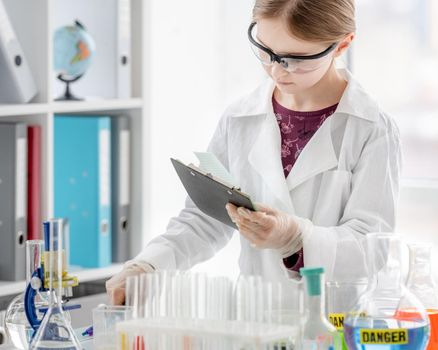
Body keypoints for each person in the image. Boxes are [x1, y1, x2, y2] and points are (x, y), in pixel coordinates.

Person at [106, 0, 401, 306]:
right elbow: (206, 218)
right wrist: (149, 266)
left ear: (342, 45)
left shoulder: (372, 129)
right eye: (266, 51)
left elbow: (371, 246)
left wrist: (297, 238)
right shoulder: (239, 118)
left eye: (296, 59)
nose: (276, 69)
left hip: (334, 320)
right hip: (256, 319)